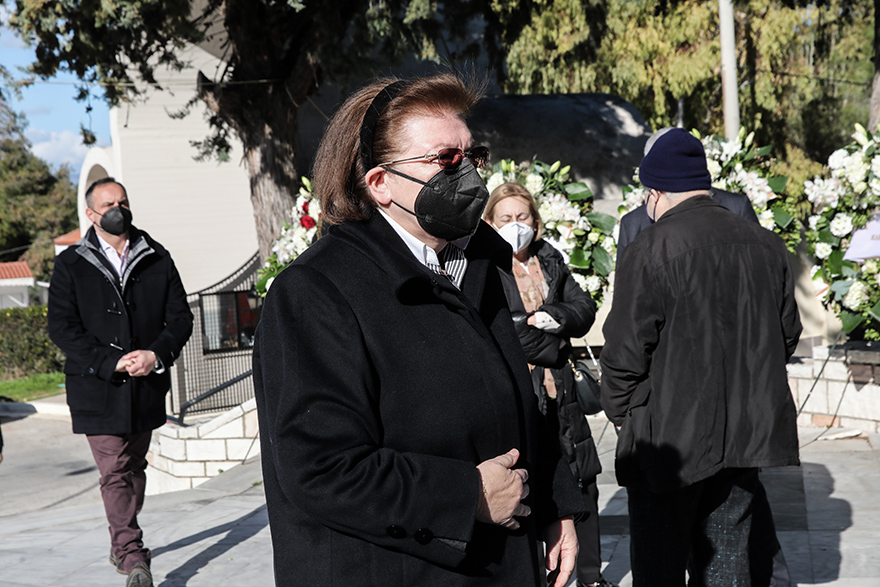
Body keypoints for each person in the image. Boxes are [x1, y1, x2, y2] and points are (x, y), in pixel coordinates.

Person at [253, 73, 585, 587]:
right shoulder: (316, 292)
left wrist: (554, 502)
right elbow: (319, 468)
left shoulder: (476, 265)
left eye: (473, 156)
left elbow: (514, 402)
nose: (467, 174)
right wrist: (468, 496)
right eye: (444, 159)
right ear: (380, 183)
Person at [599, 128, 802, 586]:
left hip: (668, 442)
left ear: (654, 193)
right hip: (744, 435)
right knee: (728, 566)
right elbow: (786, 336)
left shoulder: (649, 248)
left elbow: (624, 353)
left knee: (660, 568)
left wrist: (624, 416)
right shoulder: (766, 244)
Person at [48, 178, 193, 587]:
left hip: (145, 387)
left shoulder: (156, 255)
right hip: (97, 388)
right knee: (114, 470)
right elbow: (61, 327)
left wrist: (155, 355)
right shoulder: (71, 264)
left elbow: (180, 318)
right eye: (109, 204)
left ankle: (119, 540)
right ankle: (132, 554)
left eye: (123, 202)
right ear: (91, 214)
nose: (119, 209)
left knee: (134, 468)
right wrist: (110, 362)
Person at [484, 183, 615, 587]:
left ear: (535, 220)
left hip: (562, 389)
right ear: (490, 221)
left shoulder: (550, 258)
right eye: (506, 218)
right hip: (521, 389)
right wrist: (556, 343)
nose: (515, 225)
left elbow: (583, 309)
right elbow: (503, 331)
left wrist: (553, 315)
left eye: (522, 216)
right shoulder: (486, 267)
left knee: (581, 476)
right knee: (531, 482)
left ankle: (590, 576)